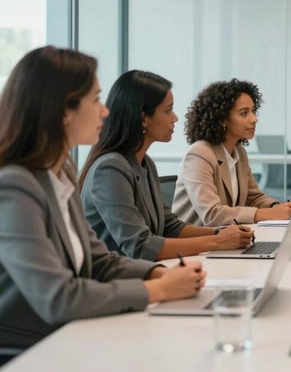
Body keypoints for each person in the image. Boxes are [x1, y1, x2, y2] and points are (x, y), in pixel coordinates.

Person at [0, 47, 204, 354]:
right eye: (95, 100)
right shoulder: (14, 187)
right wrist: (157, 289)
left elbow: (99, 261)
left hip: (71, 334)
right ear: (62, 111)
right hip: (31, 350)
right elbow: (59, 298)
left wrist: (158, 273)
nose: (105, 110)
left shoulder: (58, 176)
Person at [80, 71, 253, 261]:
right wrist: (219, 242)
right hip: (115, 282)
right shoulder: (110, 169)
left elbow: (169, 227)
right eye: (168, 110)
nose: (175, 118)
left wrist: (223, 234)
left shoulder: (145, 163)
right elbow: (140, 246)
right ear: (144, 118)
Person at [173, 79, 291, 226]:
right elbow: (212, 215)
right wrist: (266, 214)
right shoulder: (199, 154)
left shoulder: (239, 152)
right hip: (197, 244)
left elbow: (253, 198)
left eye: (253, 111)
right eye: (244, 113)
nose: (254, 119)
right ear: (223, 119)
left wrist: (277, 208)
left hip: (227, 239)